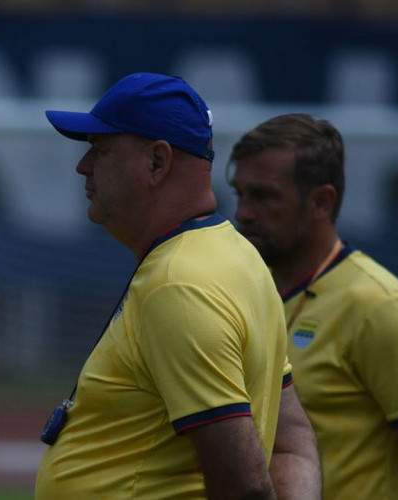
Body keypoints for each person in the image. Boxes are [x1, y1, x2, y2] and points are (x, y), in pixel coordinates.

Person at [35, 73, 321, 499]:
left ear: (157, 162)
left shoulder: (180, 285)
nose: (83, 165)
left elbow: (245, 488)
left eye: (101, 149)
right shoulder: (237, 256)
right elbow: (292, 444)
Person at [228, 113, 398, 500]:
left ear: (322, 202)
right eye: (240, 193)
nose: (242, 212)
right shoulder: (249, 292)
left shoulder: (380, 307)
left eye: (263, 196)